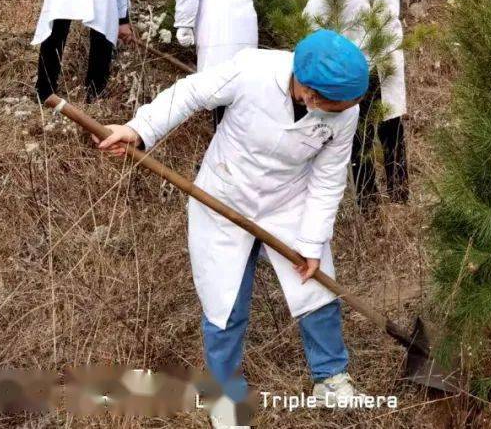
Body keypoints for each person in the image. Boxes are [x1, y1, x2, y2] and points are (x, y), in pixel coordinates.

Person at [94, 30, 370, 427]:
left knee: (316, 289)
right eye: (338, 105)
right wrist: (138, 129)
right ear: (310, 93)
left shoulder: (344, 111)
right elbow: (190, 93)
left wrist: (311, 242)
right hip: (224, 197)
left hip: (288, 202)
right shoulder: (252, 69)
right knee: (225, 301)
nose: (344, 111)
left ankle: (329, 377)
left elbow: (328, 178)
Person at [303, 0, 408, 207]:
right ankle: (400, 195)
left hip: (355, 65)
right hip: (388, 56)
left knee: (358, 135)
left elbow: (312, 23)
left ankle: (370, 204)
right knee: (391, 127)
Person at [174, 0, 259, 126]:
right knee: (239, 99)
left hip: (217, 36)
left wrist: (184, 24)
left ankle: (220, 145)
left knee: (217, 92)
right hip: (247, 40)